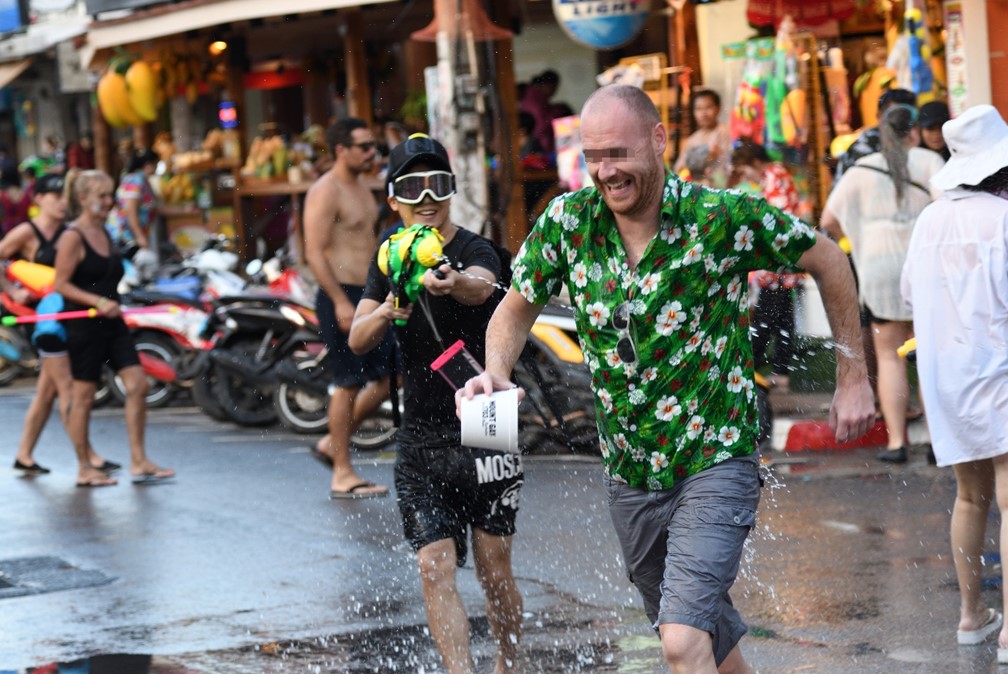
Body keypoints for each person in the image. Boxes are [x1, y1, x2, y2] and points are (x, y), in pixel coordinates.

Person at [460, 84, 875, 674]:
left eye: (619, 154)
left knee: (680, 641)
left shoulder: (720, 219)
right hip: (631, 474)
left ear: (658, 141)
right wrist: (495, 373)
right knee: (706, 637)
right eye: (594, 156)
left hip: (716, 458)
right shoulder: (568, 222)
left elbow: (828, 259)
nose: (605, 171)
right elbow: (514, 309)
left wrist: (851, 375)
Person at [348, 133, 523, 674]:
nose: (427, 197)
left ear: (451, 191)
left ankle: (510, 664)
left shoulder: (472, 248)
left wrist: (449, 281)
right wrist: (388, 310)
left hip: (487, 418)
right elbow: (358, 337)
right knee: (433, 565)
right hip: (420, 431)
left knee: (494, 567)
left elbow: (483, 285)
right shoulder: (390, 257)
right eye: (413, 186)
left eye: (438, 184)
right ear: (393, 199)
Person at [902, 103, 1008, 658]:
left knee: (970, 498)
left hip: (945, 378)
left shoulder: (930, 220)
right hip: (999, 369)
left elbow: (909, 295)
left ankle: (972, 617)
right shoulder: (1003, 218)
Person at [821, 104, 944, 464]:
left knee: (889, 356)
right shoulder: (928, 161)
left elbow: (829, 221)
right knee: (928, 354)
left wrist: (862, 235)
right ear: (915, 132)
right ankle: (938, 443)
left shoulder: (859, 170)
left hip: (876, 265)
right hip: (922, 263)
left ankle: (897, 444)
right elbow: (946, 206)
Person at [53, 170, 174, 486]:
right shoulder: (72, 237)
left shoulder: (105, 233)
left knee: (138, 385)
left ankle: (139, 460)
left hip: (112, 321)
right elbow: (60, 284)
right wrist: (96, 300)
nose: (109, 202)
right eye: (102, 197)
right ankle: (84, 468)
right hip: (83, 324)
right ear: (83, 199)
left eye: (111, 196)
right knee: (84, 396)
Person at [0, 174, 117, 484]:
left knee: (47, 391)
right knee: (69, 388)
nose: (62, 202)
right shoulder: (27, 232)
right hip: (45, 322)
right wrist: (12, 292)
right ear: (38, 200)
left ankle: (24, 454)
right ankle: (88, 457)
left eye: (64, 196)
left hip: (69, 316)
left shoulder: (70, 232)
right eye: (54, 197)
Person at [303, 118, 391, 498]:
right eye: (364, 146)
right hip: (341, 296)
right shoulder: (326, 190)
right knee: (348, 382)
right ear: (341, 149)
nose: (372, 152)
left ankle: (330, 444)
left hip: (369, 293)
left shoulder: (362, 186)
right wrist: (339, 301)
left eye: (373, 145)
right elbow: (314, 251)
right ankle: (341, 471)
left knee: (391, 377)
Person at [730, 140, 803, 393]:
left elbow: (775, 217)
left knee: (766, 316)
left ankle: (750, 365)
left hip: (776, 258)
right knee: (782, 317)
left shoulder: (774, 175)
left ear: (755, 163)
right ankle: (780, 372)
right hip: (781, 257)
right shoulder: (773, 175)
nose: (746, 176)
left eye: (745, 169)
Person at [105, 149, 159, 255]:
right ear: (149, 164)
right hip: (124, 235)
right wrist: (140, 236)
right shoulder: (135, 180)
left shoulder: (143, 181)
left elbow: (154, 207)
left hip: (131, 234)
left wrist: (184, 210)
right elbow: (131, 210)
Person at [672, 88, 732, 174]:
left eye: (708, 107)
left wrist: (718, 154)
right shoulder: (692, 140)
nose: (703, 113)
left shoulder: (725, 132)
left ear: (718, 108)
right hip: (696, 185)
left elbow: (731, 164)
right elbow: (679, 169)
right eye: (698, 108)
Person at [519, 69, 561, 154]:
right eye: (554, 87)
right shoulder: (535, 99)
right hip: (535, 143)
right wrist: (553, 116)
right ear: (548, 85)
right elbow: (539, 126)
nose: (554, 91)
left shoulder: (536, 96)